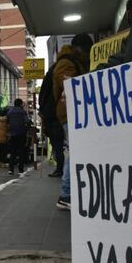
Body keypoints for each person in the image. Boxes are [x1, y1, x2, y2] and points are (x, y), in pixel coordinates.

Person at [54, 33, 93, 210]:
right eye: (86, 51)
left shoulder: (72, 62)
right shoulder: (66, 63)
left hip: (73, 112)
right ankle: (66, 194)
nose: (87, 55)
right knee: (74, 152)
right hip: (70, 113)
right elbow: (69, 85)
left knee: (75, 151)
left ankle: (69, 192)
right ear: (79, 49)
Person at [6, 99, 29, 176]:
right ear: (20, 104)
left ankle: (11, 170)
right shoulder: (23, 112)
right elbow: (27, 121)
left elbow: (7, 122)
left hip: (12, 135)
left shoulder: (9, 112)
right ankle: (21, 169)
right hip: (21, 134)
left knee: (13, 152)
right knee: (21, 152)